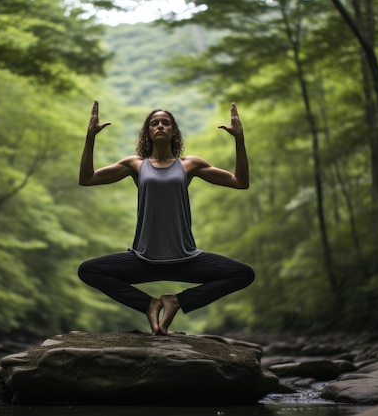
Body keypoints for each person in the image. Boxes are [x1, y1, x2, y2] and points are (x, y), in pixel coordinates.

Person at [78, 100, 255, 335]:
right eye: (154, 123)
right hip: (143, 260)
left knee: (243, 274)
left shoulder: (189, 164)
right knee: (88, 270)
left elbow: (240, 182)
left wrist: (239, 140)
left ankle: (176, 301)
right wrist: (90, 138)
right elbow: (87, 178)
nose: (160, 126)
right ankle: (148, 304)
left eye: (165, 123)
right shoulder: (136, 165)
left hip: (186, 259)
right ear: (148, 133)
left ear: (174, 131)